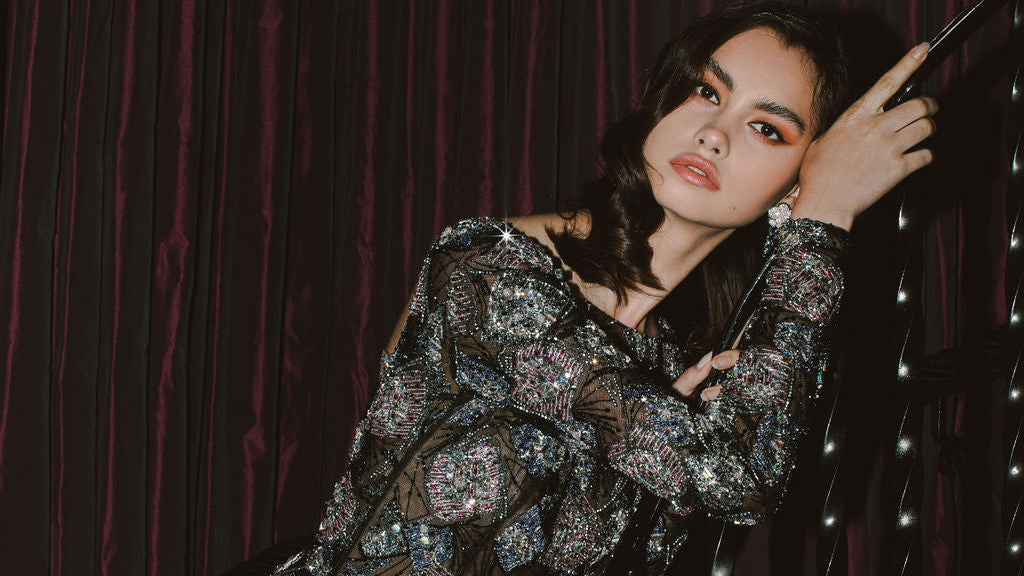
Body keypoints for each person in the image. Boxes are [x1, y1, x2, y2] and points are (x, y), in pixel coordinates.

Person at [273, 3, 937, 575]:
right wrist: (822, 222)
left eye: (767, 128)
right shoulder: (491, 270)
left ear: (794, 186)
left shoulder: (677, 365)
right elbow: (738, 477)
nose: (713, 133)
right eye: (707, 91)